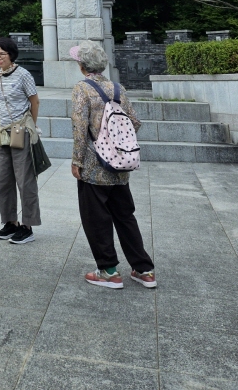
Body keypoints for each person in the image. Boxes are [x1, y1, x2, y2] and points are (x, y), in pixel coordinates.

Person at [70, 41, 156, 290]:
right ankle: (144, 269)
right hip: (119, 165)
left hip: (94, 166)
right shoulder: (116, 88)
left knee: (96, 218)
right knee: (125, 216)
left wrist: (77, 160)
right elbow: (134, 122)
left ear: (82, 65)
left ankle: (108, 270)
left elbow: (79, 128)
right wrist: (115, 143)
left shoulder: (82, 89)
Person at [0, 36, 41, 246]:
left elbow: (34, 101)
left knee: (25, 180)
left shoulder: (24, 75)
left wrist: (31, 124)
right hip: (1, 132)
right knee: (2, 180)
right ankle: (10, 221)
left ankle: (27, 226)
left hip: (21, 130)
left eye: (2, 54)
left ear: (11, 54)